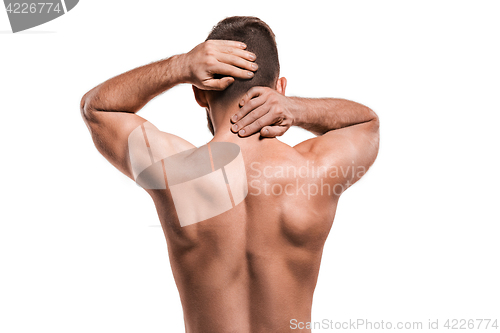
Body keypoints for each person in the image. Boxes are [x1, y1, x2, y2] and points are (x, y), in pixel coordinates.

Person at [81, 16, 379, 333]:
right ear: (279, 88)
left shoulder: (177, 173)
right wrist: (295, 108)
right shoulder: (315, 171)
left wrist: (179, 67)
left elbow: (98, 108)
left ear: (199, 94)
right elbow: (366, 124)